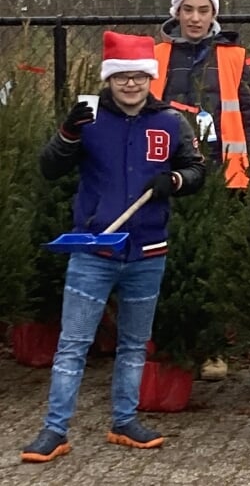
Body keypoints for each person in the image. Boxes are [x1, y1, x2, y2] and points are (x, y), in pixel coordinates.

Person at [21, 32, 205, 463]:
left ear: (149, 79)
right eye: (121, 76)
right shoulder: (87, 114)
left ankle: (124, 421)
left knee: (134, 343)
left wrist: (174, 181)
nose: (130, 84)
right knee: (73, 343)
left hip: (148, 250)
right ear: (109, 79)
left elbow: (196, 171)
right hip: (93, 251)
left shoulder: (172, 122)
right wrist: (67, 133)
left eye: (138, 76)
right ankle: (54, 430)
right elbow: (49, 168)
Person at [153, 0, 250, 381]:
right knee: (171, 258)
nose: (195, 18)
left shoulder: (233, 57)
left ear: (214, 15)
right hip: (172, 174)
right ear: (176, 13)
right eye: (188, 9)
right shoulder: (158, 56)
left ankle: (214, 349)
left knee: (217, 262)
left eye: (203, 10)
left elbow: (248, 116)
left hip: (222, 173)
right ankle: (172, 344)